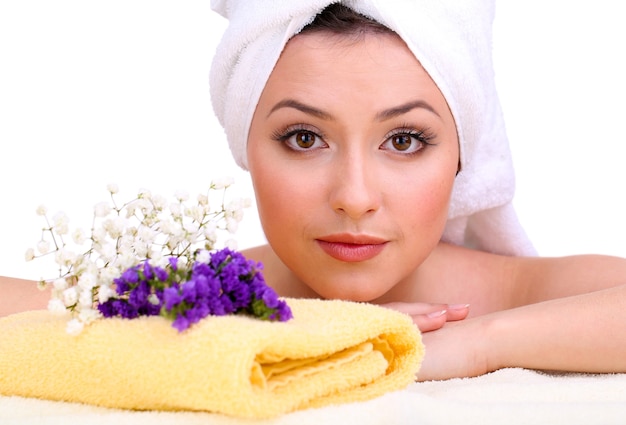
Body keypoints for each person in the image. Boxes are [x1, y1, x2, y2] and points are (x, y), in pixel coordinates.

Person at [2, 1, 626, 383]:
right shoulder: (209, 296)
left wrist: (473, 345)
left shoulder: (501, 296)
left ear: (461, 155)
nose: (354, 197)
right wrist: (305, 327)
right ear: (247, 143)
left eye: (405, 140)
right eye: (304, 138)